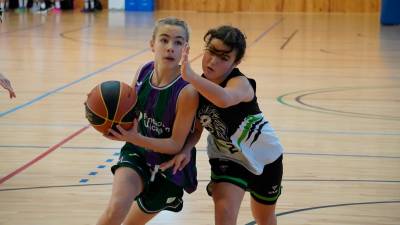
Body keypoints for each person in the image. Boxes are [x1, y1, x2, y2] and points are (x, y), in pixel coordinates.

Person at [161, 25, 284, 225]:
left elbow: (224, 99)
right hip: (227, 156)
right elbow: (197, 130)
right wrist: (185, 149)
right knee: (224, 211)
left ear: (236, 62)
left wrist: (190, 76)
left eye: (224, 58)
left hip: (265, 156)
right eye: (211, 51)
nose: (213, 61)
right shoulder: (194, 89)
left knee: (264, 217)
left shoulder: (240, 83)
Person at [96, 17, 199, 225]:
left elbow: (175, 144)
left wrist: (135, 137)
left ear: (185, 49)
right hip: (138, 153)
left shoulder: (187, 91)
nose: (170, 48)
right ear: (152, 44)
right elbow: (130, 114)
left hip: (169, 168)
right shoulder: (144, 71)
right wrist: (115, 127)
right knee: (115, 208)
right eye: (164, 40)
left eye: (178, 42)